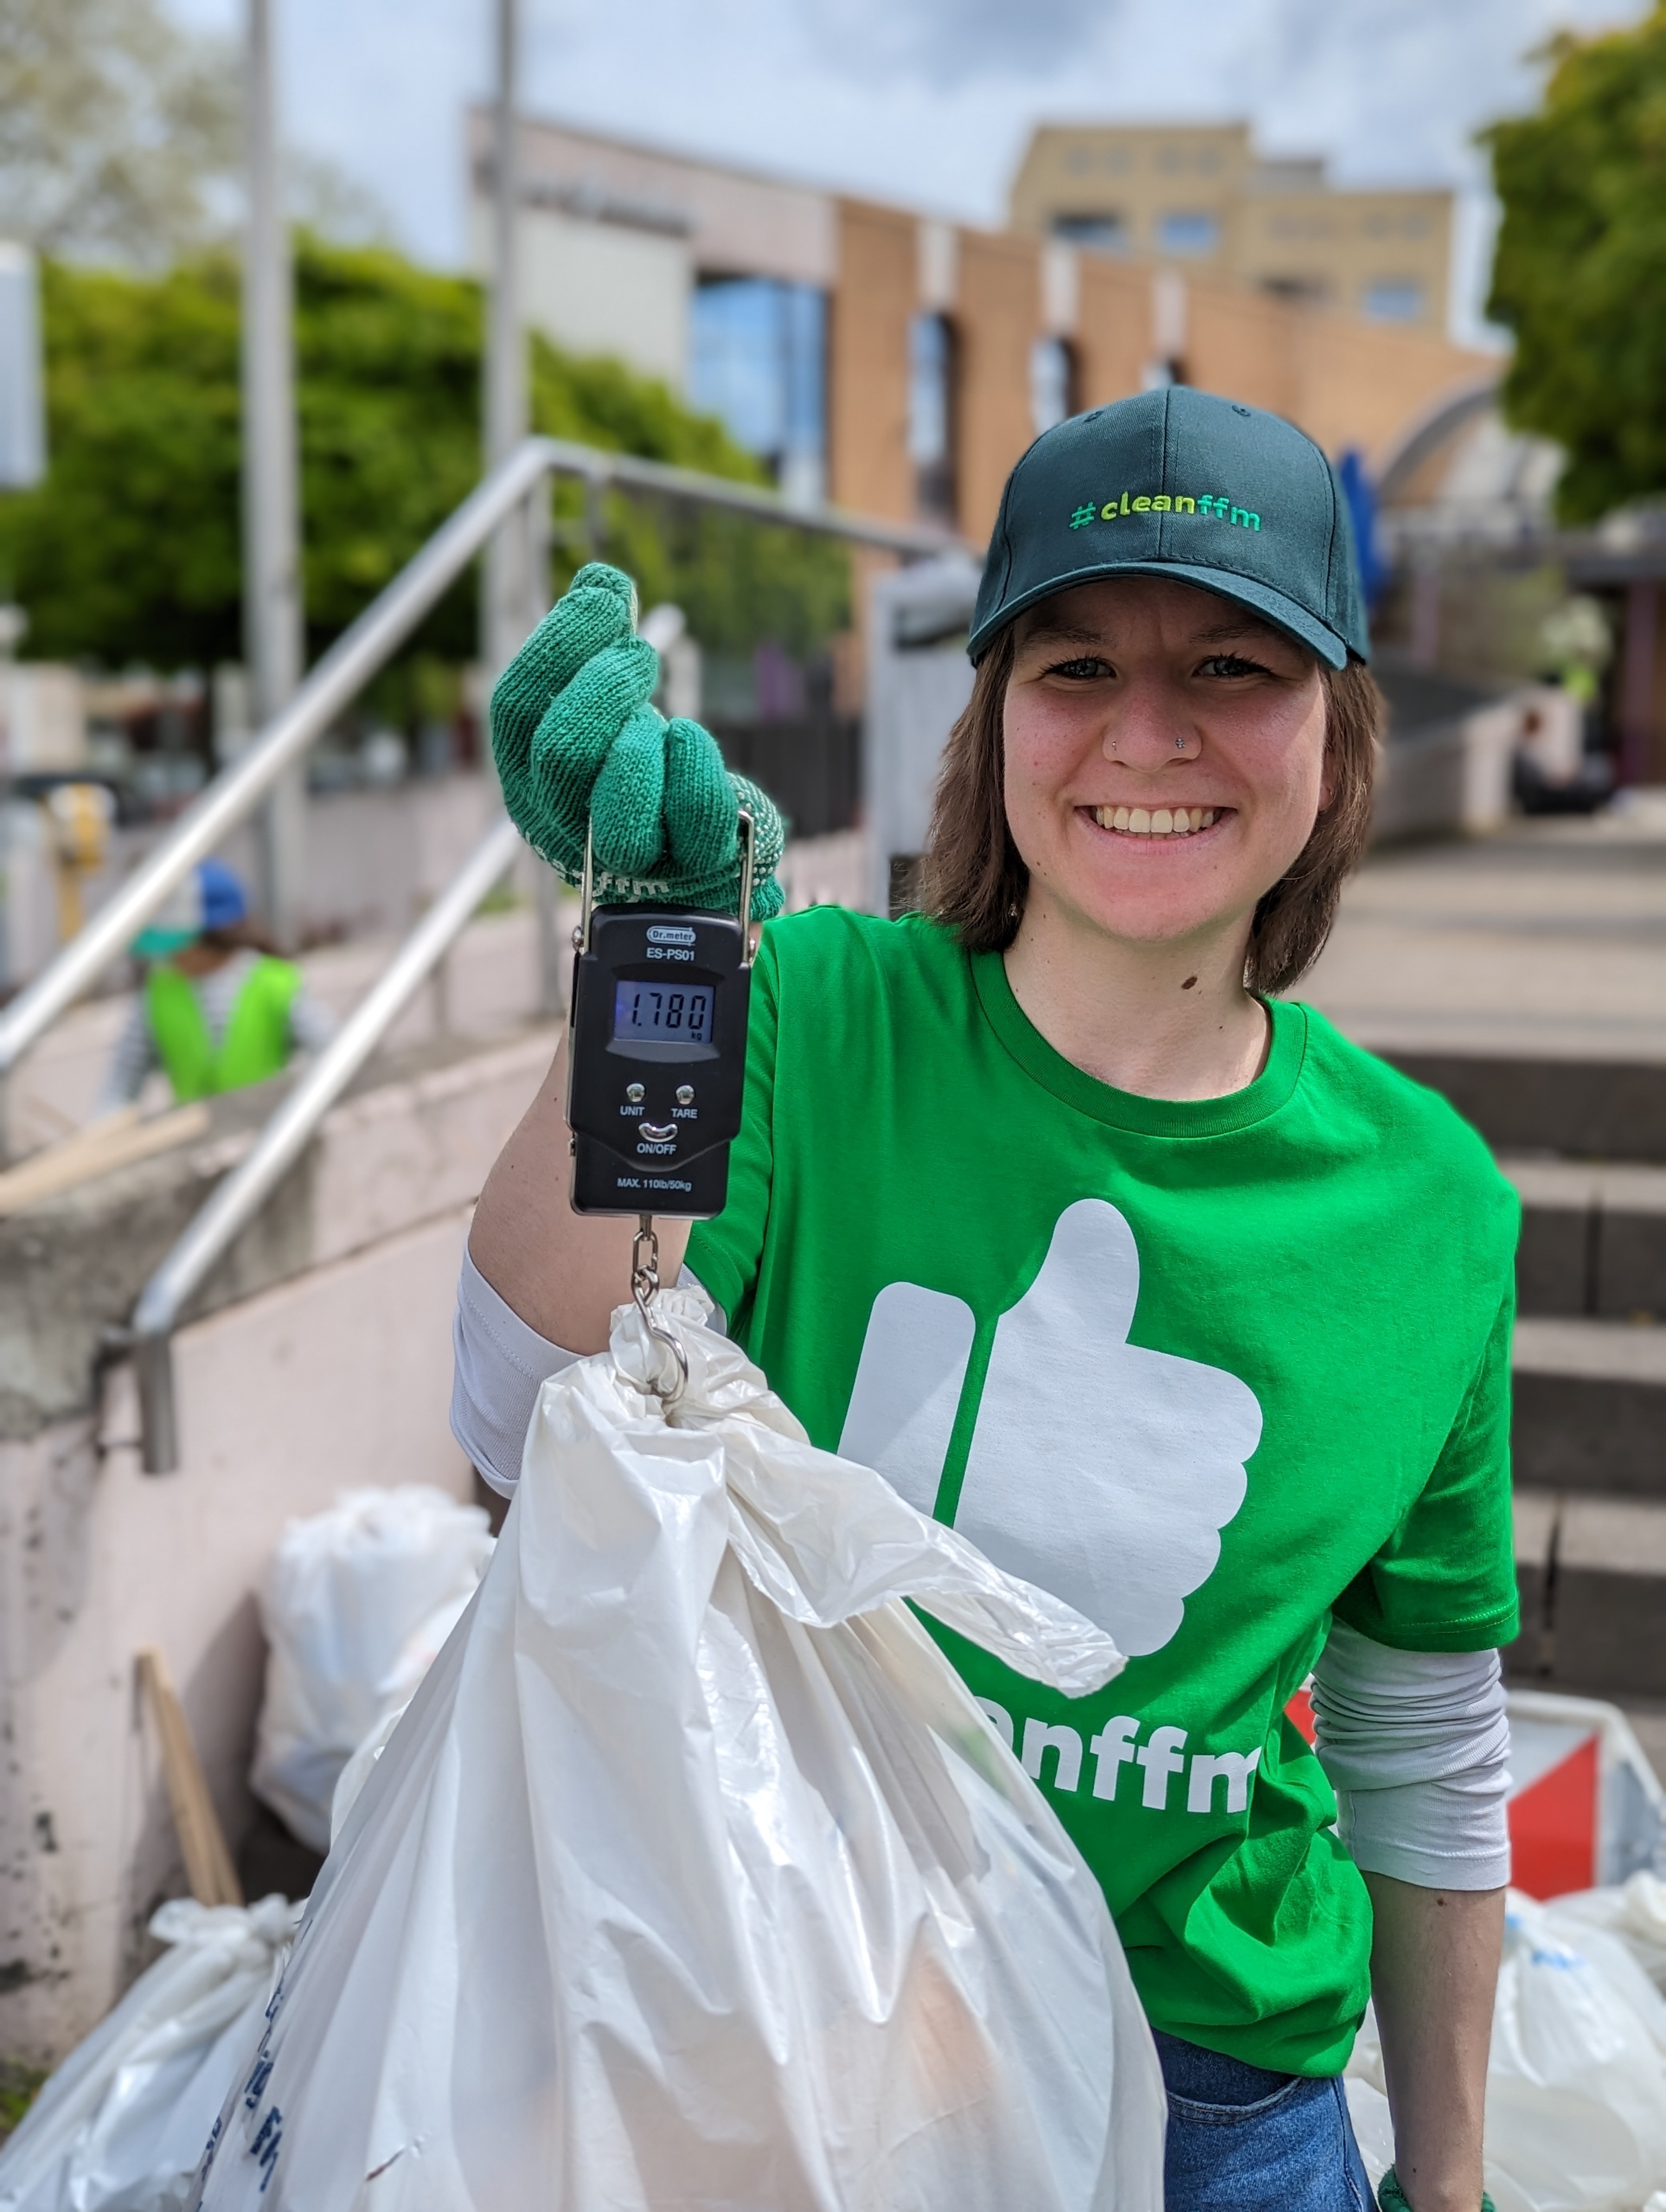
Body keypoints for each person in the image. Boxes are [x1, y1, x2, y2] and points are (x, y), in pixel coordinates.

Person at [453, 390, 1515, 2212]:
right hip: (798, 2029)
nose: (1148, 733)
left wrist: (1453, 2186)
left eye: (1235, 666)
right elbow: (516, 1427)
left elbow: (1423, 1748)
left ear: (1337, 733)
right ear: (996, 720)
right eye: (1076, 664)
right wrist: (661, 963)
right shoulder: (806, 1013)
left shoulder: (1433, 1208)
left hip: (1218, 2100)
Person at [98, 858, 335, 1112]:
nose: (166, 956)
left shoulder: (276, 983)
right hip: (196, 1135)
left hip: (273, 1127)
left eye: (174, 945)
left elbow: (332, 1052)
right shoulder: (156, 995)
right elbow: (121, 1084)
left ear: (213, 937)